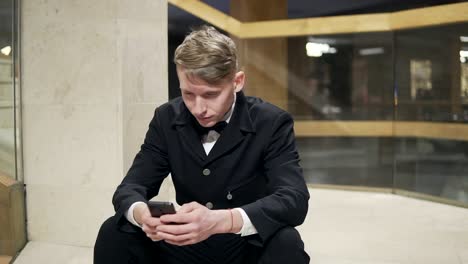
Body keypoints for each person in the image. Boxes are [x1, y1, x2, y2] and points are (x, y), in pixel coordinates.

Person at [94, 25, 310, 264]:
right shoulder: (166, 117)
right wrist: (142, 215)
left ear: (237, 81)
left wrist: (221, 220)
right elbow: (130, 187)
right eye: (188, 94)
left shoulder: (271, 122)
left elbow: (294, 199)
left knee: (287, 242)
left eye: (210, 95)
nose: (198, 108)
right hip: (183, 245)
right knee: (114, 231)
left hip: (243, 244)